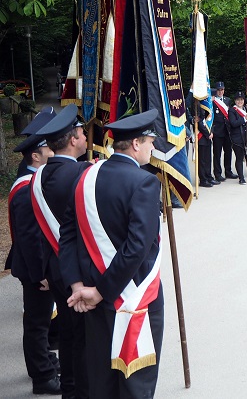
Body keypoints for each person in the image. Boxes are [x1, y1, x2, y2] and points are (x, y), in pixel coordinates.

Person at [62, 110, 164, 399]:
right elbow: (136, 248)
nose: (152, 148)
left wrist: (77, 285)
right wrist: (101, 292)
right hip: (134, 300)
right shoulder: (144, 182)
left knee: (102, 383)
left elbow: (68, 234)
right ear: (135, 144)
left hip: (94, 300)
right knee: (135, 384)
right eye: (150, 142)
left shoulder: (85, 176)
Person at [32, 103, 91, 399]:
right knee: (83, 338)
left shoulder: (38, 176)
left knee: (68, 335)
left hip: (55, 269)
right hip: (79, 270)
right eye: (81, 133)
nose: (84, 137)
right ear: (72, 140)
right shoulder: (83, 175)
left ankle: (69, 389)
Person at [6, 111, 61, 396]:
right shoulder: (28, 189)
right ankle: (42, 377)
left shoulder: (33, 181)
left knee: (39, 322)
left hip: (35, 267)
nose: (53, 152)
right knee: (37, 325)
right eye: (47, 149)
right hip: (35, 270)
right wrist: (42, 274)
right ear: (35, 157)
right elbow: (30, 240)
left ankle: (46, 363)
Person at [229, 91, 247, 184]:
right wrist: (244, 118)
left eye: (241, 100)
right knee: (239, 158)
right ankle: (241, 178)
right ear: (235, 101)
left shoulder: (246, 108)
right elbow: (233, 123)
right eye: (238, 100)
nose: (240, 102)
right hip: (238, 138)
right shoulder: (232, 110)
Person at [211, 81, 235, 182]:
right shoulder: (212, 101)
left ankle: (228, 171)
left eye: (222, 90)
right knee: (217, 153)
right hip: (217, 131)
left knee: (228, 152)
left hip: (227, 131)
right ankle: (217, 173)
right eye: (219, 90)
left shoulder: (228, 100)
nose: (220, 92)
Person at [194, 104, 216, 187]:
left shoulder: (209, 105)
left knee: (208, 159)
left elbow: (211, 121)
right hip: (201, 137)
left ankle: (208, 176)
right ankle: (203, 180)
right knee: (202, 160)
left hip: (208, 136)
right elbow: (199, 122)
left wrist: (211, 132)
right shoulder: (198, 105)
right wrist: (208, 133)